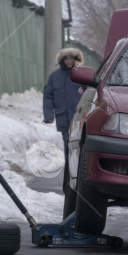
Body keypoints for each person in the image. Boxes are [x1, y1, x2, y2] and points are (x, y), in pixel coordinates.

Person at [43, 48, 87, 191]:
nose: (69, 61)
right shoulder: (55, 76)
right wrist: (48, 116)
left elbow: (92, 91)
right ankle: (68, 184)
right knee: (68, 149)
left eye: (72, 58)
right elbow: (48, 96)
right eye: (66, 58)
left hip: (80, 119)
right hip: (63, 119)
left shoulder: (82, 75)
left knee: (82, 149)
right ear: (62, 60)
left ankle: (81, 181)